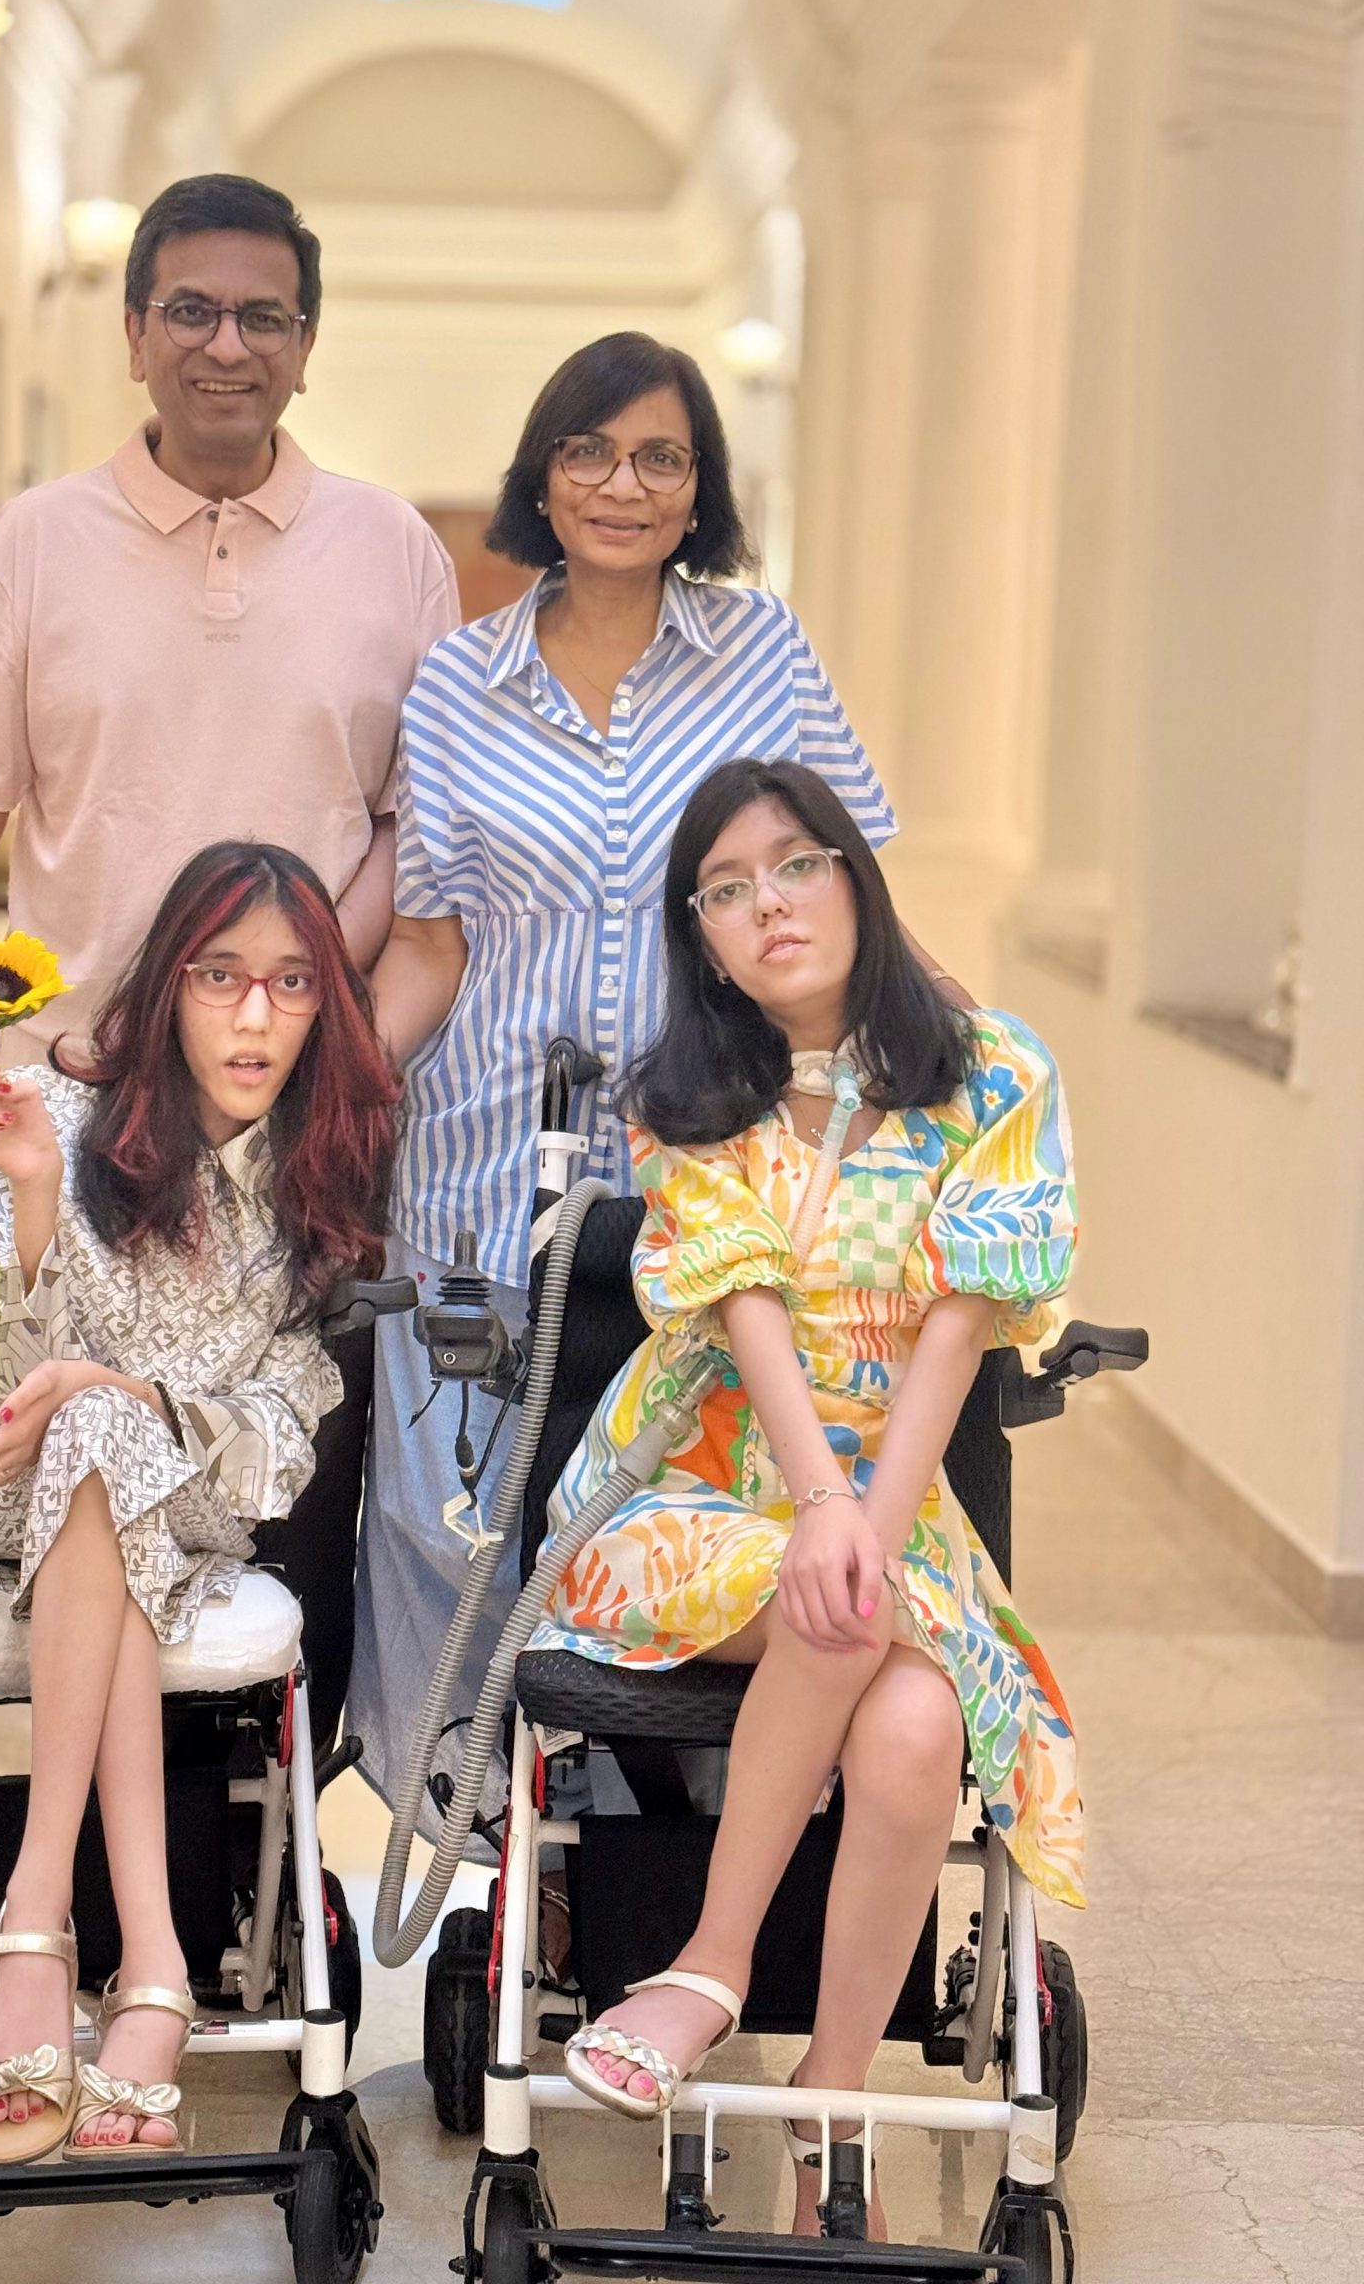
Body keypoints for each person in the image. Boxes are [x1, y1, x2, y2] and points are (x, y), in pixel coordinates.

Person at [353, 331, 960, 1820]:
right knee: (455, 1526)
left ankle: (646, 1861)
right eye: (590, 451)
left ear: (701, 489)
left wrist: (962, 1048)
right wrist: (324, 1100)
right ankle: (493, 1859)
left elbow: (847, 888)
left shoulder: (764, 651)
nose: (622, 485)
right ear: (542, 475)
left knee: (675, 1516)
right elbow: (429, 941)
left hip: (721, 1179)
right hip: (485, 1164)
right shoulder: (459, 680)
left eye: (660, 457)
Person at [532, 758, 1078, 2241]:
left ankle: (829, 2100)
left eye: (796, 864)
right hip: (688, 1493)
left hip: (892, 1500)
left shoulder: (1000, 1074)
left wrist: (866, 1525)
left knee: (910, 1719)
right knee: (837, 1602)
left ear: (856, 874)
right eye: (725, 890)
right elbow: (748, 1311)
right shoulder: (687, 1102)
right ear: (702, 940)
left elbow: (963, 1323)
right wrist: (830, 1517)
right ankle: (720, 1971)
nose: (767, 904)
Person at [0, 842, 396, 2167]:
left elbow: (282, 1439)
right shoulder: (56, 1121)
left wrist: (128, 1400)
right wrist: (28, 1198)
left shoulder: (325, 1178)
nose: (256, 1016)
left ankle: (46, 1941)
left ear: (325, 1004)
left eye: (292, 983)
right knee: (81, 1431)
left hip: (191, 1507)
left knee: (107, 1432)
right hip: (6, 1491)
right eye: (221, 976)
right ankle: (143, 1963)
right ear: (170, 984)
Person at [0, 170, 457, 1078]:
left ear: (304, 350)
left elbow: (407, 824)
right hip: (68, 1072)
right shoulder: (28, 545)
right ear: (137, 337)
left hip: (299, 1076)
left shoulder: (396, 550)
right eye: (192, 312)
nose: (228, 346)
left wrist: (292, 992)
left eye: (264, 319)